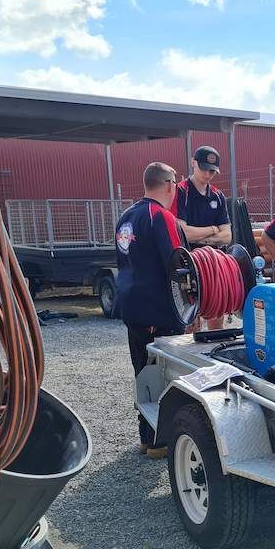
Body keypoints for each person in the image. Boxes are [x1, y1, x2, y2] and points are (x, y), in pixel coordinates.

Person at [115, 161, 187, 459]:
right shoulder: (161, 216)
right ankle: (161, 442)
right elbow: (179, 264)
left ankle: (147, 438)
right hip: (160, 312)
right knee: (166, 377)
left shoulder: (125, 217)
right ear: (170, 185)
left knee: (142, 371)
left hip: (133, 310)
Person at [171, 145, 231, 330]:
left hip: (215, 267)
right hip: (188, 265)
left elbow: (227, 236)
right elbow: (183, 233)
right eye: (204, 168)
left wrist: (200, 238)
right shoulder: (181, 192)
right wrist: (213, 229)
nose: (208, 174)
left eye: (212, 171)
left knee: (217, 313)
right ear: (193, 163)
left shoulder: (218, 196)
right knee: (191, 320)